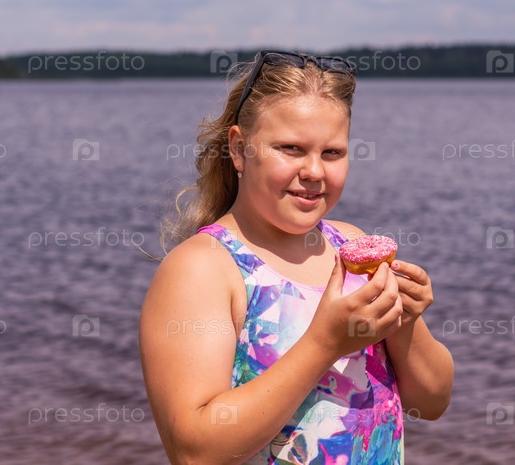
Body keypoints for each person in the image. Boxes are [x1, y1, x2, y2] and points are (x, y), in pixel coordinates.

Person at [139, 50, 454, 464]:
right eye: (291, 149)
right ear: (239, 149)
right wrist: (325, 343)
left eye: (332, 153)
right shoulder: (204, 268)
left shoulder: (350, 247)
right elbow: (193, 450)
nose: (314, 172)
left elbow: (431, 403)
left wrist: (406, 323)